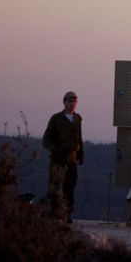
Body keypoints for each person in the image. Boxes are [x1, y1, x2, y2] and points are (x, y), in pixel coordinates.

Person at [42, 91, 84, 222]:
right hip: (58, 160)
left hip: (72, 160)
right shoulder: (56, 119)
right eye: (69, 101)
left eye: (75, 101)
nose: (72, 104)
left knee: (70, 188)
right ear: (64, 102)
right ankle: (53, 214)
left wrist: (81, 153)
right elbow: (45, 140)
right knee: (55, 188)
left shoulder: (77, 119)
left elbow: (79, 138)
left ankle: (67, 214)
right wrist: (54, 150)